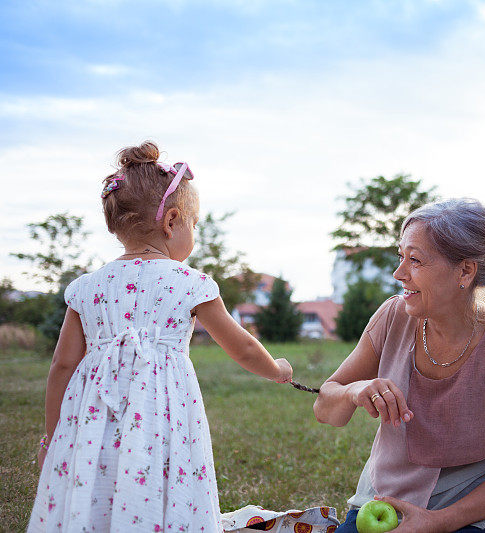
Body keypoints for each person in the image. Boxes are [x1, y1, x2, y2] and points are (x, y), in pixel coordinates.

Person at [28, 141, 293, 532]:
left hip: (95, 419)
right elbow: (241, 345)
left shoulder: (86, 288)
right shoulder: (191, 283)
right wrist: (276, 370)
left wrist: (54, 438)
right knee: (164, 484)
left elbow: (63, 365)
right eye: (194, 223)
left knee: (99, 483)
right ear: (172, 221)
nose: (194, 231)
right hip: (162, 418)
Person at [314, 198, 485, 533]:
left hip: (468, 515)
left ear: (465, 271)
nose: (399, 273)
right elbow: (324, 407)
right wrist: (353, 391)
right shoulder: (392, 317)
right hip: (383, 503)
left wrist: (437, 522)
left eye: (416, 261)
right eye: (401, 257)